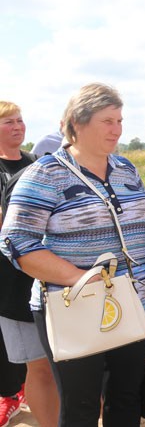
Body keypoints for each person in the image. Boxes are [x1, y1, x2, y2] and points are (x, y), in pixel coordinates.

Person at [0, 84, 145, 426]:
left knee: (127, 399)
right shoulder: (45, 174)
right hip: (73, 304)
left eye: (119, 120)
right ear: (77, 124)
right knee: (81, 406)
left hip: (133, 302)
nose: (117, 129)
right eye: (107, 121)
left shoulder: (126, 169)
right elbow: (16, 241)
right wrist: (83, 278)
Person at [0, 101, 59, 427]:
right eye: (9, 121)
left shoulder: (37, 164)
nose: (18, 126)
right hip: (10, 281)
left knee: (53, 362)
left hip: (44, 276)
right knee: (33, 362)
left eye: (20, 120)